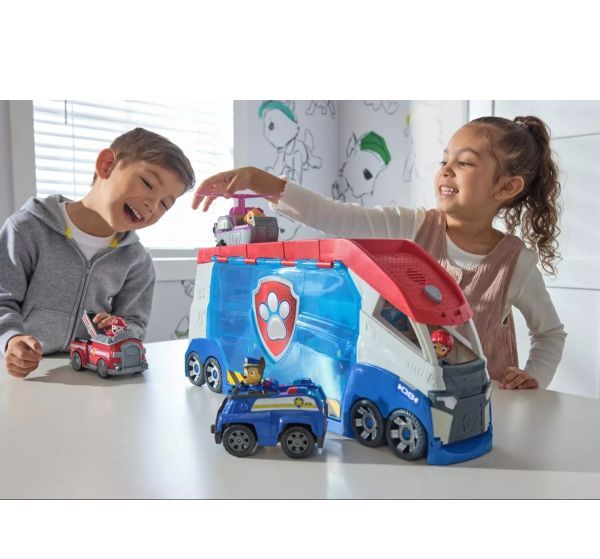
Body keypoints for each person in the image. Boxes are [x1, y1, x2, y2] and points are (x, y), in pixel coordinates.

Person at [192, 115, 566, 391]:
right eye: (444, 161)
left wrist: (532, 378)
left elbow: (550, 334)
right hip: (410, 392)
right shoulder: (412, 228)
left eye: (464, 163)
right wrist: (260, 181)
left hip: (485, 401)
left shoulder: (515, 264)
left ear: (506, 187)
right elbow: (336, 217)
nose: (446, 171)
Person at [1, 127, 195, 378]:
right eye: (148, 183)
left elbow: (135, 324)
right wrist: (11, 339)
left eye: (165, 204)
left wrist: (120, 329)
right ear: (106, 165)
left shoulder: (137, 261)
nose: (152, 205)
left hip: (92, 373)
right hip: (27, 374)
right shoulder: (27, 229)